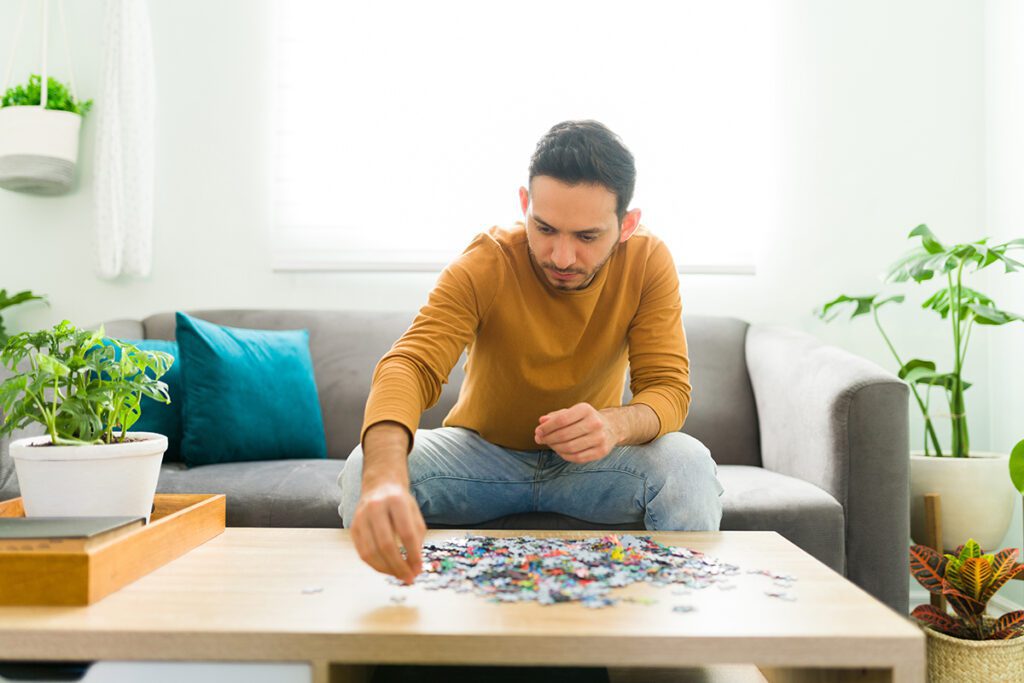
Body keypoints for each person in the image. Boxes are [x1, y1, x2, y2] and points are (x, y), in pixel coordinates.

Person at [339, 120, 724, 584]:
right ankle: (394, 639)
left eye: (587, 237)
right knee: (365, 466)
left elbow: (667, 389)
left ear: (626, 225)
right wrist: (384, 477)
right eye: (545, 228)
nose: (562, 256)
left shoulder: (648, 261)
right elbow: (411, 363)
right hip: (479, 458)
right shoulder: (487, 261)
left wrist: (614, 424)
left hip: (594, 466)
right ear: (525, 204)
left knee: (689, 465)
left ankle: (670, 640)